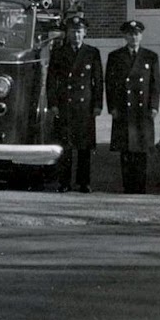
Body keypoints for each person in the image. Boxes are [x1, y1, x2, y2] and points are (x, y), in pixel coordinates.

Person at [47, 13, 104, 192]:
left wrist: (97, 105)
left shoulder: (92, 53)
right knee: (66, 146)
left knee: (84, 146)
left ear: (85, 33)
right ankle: (64, 182)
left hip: (85, 106)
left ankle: (83, 182)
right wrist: (53, 103)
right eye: (73, 32)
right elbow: (51, 80)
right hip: (65, 104)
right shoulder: (58, 53)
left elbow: (98, 81)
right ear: (67, 33)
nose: (76, 35)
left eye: (79, 32)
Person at [106, 19, 159, 194]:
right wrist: (112, 107)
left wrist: (154, 106)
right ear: (125, 36)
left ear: (141, 36)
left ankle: (140, 187)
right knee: (126, 151)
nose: (133, 37)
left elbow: (155, 85)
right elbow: (110, 84)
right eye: (130, 34)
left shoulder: (150, 57)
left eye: (136, 34)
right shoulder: (115, 57)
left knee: (141, 151)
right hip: (123, 109)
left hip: (142, 111)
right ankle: (127, 186)